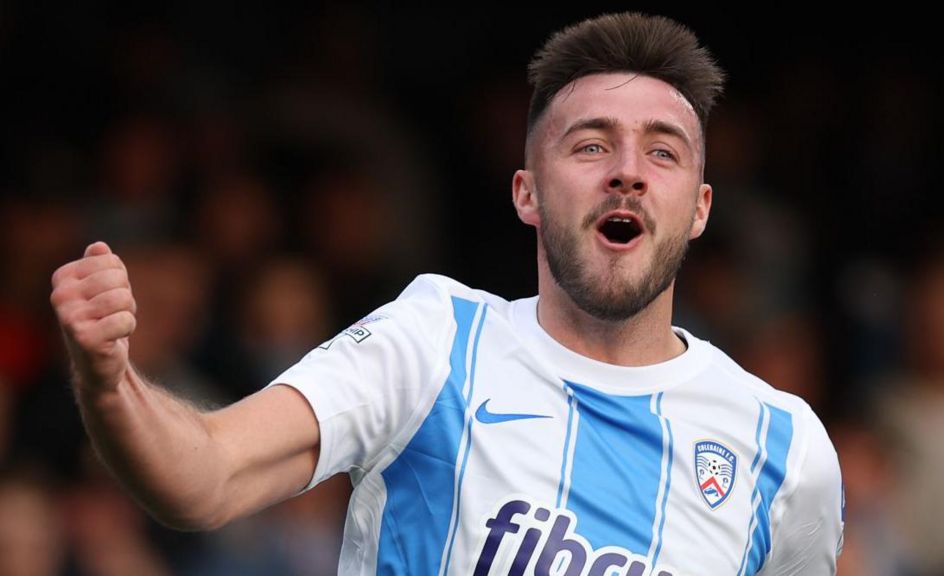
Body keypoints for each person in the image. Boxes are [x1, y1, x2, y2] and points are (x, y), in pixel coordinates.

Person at [50, 12, 843, 575]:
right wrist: (109, 380)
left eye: (663, 152)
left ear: (700, 208)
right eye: (592, 143)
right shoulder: (432, 344)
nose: (627, 169)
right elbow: (205, 477)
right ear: (527, 193)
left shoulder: (784, 450)